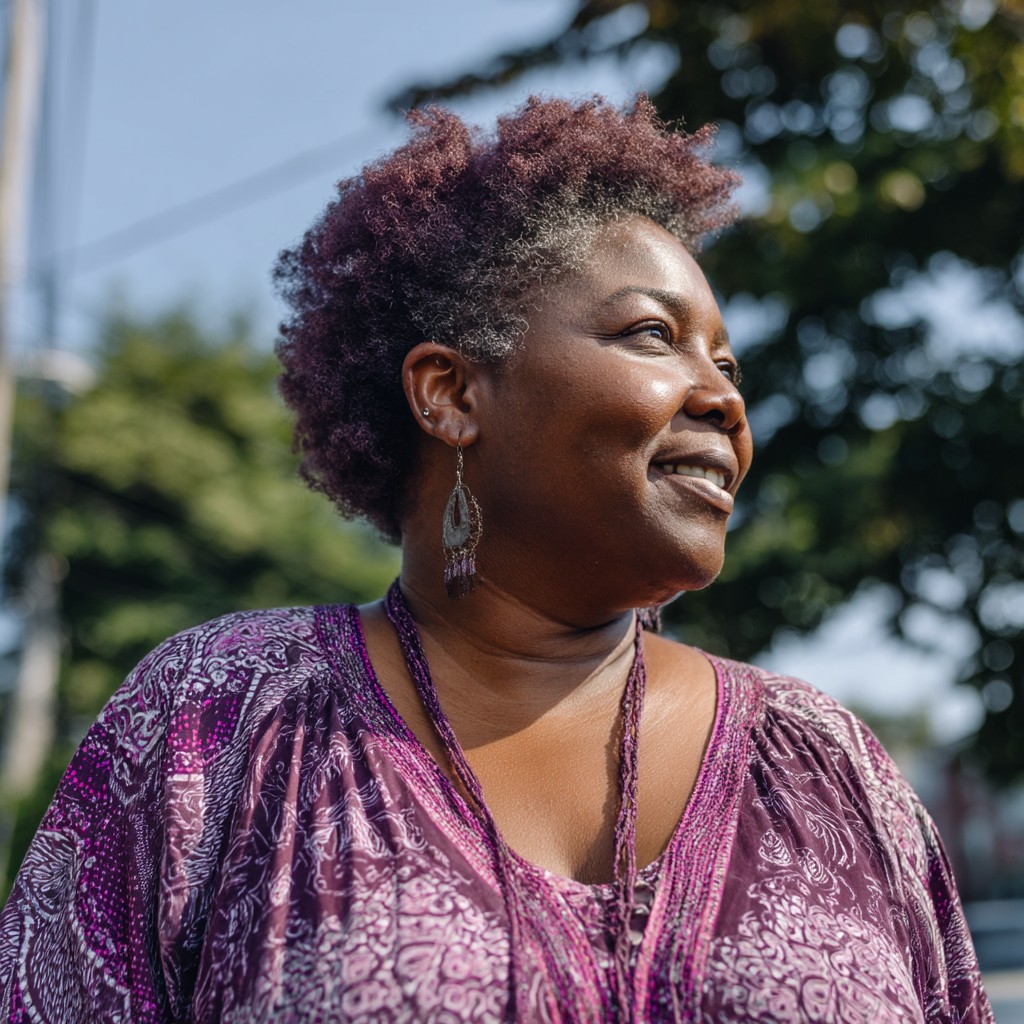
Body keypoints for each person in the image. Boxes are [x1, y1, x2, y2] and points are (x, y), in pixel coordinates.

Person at [0, 96, 992, 1024]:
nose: (722, 397)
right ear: (451, 394)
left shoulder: (829, 766)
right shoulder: (219, 722)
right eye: (655, 334)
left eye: (727, 365)